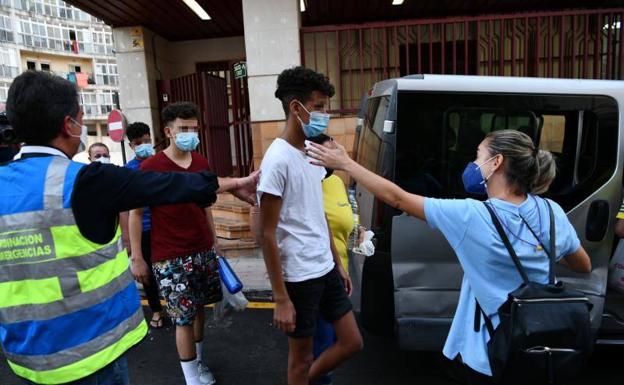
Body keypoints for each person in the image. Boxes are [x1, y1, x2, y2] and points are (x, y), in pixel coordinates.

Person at [0, 70, 258, 385]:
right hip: (91, 359)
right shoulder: (86, 180)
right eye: (81, 117)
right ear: (69, 124)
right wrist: (234, 184)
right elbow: (166, 185)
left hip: (27, 362)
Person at [306, 129, 592, 384]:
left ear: (497, 162)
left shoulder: (471, 215)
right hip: (541, 346)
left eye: (478, 155)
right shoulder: (551, 211)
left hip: (489, 355)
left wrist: (346, 164)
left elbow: (397, 198)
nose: (472, 163)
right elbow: (582, 264)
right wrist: (536, 249)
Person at [258, 67, 363, 385]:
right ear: (296, 108)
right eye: (318, 107)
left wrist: (336, 263)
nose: (325, 114)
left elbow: (316, 215)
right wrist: (280, 298)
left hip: (325, 267)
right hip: (299, 276)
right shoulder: (277, 160)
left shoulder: (311, 152)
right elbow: (266, 233)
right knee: (300, 359)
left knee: (351, 343)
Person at [129, 102, 222, 385]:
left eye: (194, 129)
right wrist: (137, 256)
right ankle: (191, 378)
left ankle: (199, 362)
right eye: (184, 129)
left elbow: (206, 207)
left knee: (199, 311)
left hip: (202, 250)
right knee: (182, 317)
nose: (190, 134)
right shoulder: (150, 167)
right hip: (169, 256)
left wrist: (215, 241)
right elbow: (135, 213)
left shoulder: (202, 163)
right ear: (169, 132)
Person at [308, 133, 356, 385]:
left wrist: (358, 232)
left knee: (340, 345)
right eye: (329, 150)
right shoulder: (305, 185)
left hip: (338, 274)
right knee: (324, 346)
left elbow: (344, 217)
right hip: (316, 278)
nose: (336, 153)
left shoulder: (336, 181)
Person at [119, 121, 163, 328]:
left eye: (147, 141)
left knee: (167, 270)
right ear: (131, 146)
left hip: (164, 228)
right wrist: (128, 241)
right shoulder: (127, 172)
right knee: (147, 275)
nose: (144, 145)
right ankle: (156, 310)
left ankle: (174, 307)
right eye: (139, 143)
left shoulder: (161, 165)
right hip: (142, 231)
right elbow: (124, 209)